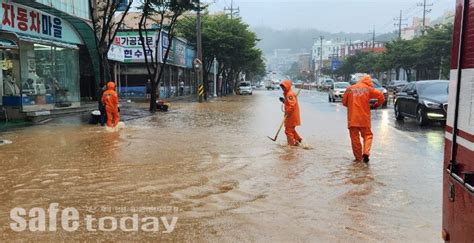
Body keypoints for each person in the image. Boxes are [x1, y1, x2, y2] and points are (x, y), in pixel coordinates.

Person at [342, 75, 385, 163]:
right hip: (364, 118)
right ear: (369, 82)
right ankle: (366, 152)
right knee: (368, 136)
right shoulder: (368, 89)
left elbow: (344, 102)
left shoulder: (350, 89)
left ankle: (358, 159)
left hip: (352, 118)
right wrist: (377, 104)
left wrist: (351, 105)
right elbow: (381, 96)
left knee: (355, 140)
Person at [279, 79, 302, 146]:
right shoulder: (288, 94)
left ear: (287, 86)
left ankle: (291, 146)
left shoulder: (289, 94)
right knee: (291, 130)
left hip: (291, 116)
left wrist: (287, 112)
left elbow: (292, 105)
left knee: (288, 131)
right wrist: (284, 101)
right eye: (282, 87)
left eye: (284, 87)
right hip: (290, 115)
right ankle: (299, 140)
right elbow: (289, 103)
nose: (282, 88)